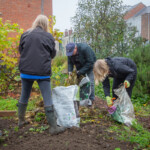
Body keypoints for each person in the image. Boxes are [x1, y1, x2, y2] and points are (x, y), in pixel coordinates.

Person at [18, 14, 65, 135]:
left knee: (24, 95)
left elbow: (21, 51)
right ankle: (53, 128)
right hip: (42, 73)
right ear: (45, 24)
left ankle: (21, 121)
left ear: (36, 22)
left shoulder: (26, 34)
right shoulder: (48, 36)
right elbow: (53, 54)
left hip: (26, 72)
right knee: (47, 98)